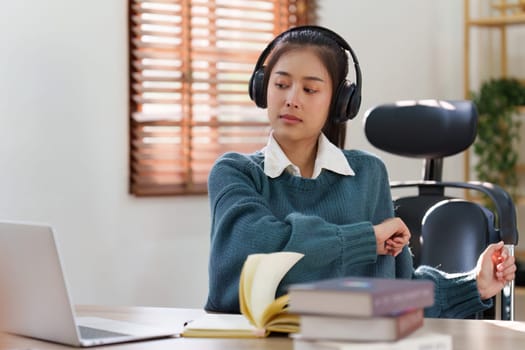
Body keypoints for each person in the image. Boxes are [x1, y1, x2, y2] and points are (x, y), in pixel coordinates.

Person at [204, 25, 516, 318]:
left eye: (310, 89)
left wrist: (474, 283)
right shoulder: (234, 173)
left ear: (340, 102)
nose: (292, 99)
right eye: (281, 84)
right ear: (262, 89)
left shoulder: (367, 175)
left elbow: (397, 292)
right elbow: (254, 257)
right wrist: (365, 239)